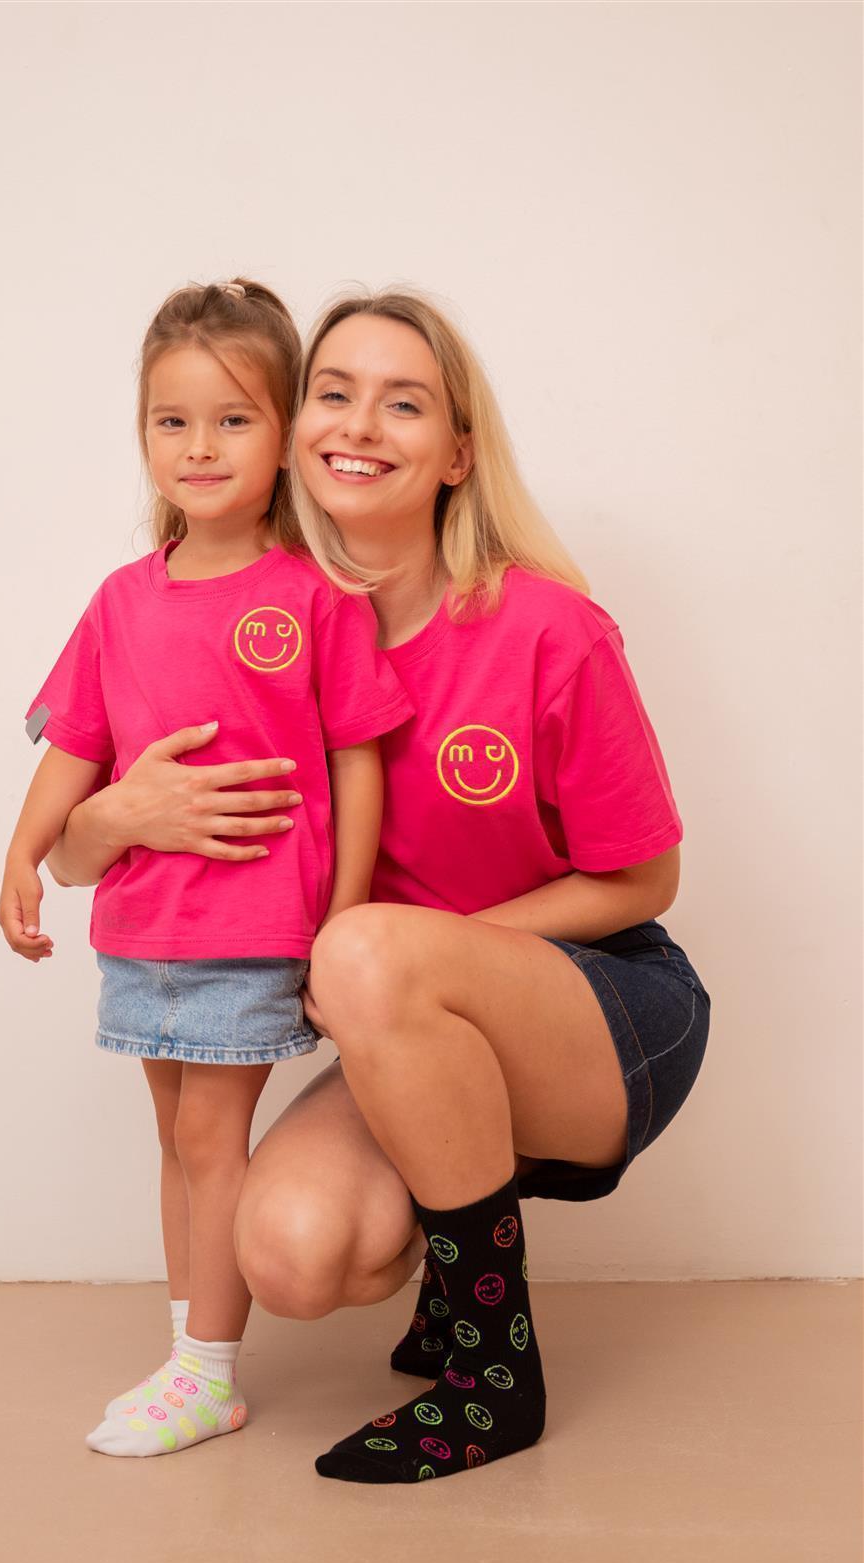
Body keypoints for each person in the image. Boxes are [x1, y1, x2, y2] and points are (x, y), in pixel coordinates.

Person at [50, 288, 711, 1485]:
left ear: (458, 452)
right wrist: (109, 815)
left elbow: (644, 874)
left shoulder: (548, 630)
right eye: (333, 393)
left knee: (360, 946)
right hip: (403, 1016)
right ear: (293, 429)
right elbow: (69, 851)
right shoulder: (259, 620)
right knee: (293, 1253)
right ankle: (451, 1279)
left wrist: (423, 952)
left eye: (404, 402)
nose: (360, 423)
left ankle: (492, 1375)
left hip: (609, 1010)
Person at [0, 280, 413, 1460]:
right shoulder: (121, 601)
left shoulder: (315, 595)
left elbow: (359, 763)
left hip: (248, 928)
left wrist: (341, 921)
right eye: (172, 421)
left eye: (233, 419)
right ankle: (191, 1349)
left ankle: (209, 1372)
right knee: (176, 1140)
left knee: (209, 1145)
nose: (200, 446)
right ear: (143, 435)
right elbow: (77, 746)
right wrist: (23, 854)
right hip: (140, 929)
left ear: (285, 434)